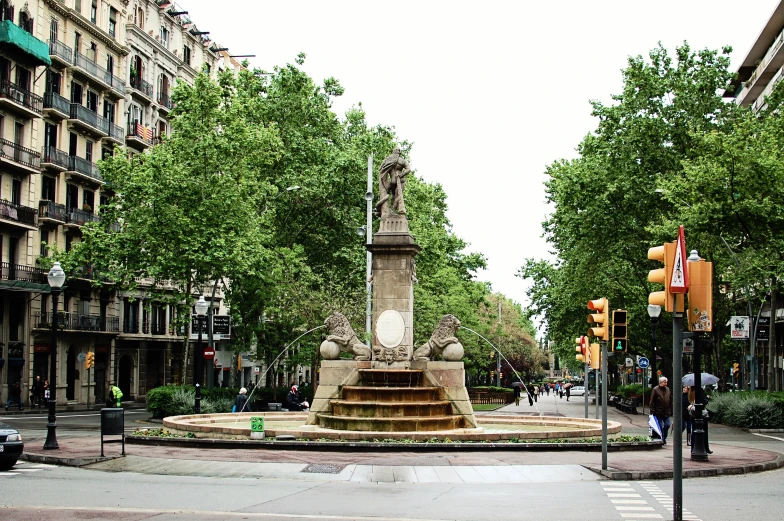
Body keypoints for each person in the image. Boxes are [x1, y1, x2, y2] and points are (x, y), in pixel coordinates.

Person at [649, 376, 672, 444]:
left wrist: (671, 409)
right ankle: (662, 439)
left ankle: (663, 437)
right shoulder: (655, 389)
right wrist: (652, 411)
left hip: (666, 411)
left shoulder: (668, 389)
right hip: (658, 412)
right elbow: (652, 401)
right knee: (660, 426)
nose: (666, 384)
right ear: (661, 382)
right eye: (665, 382)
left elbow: (670, 399)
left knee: (667, 425)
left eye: (666, 382)